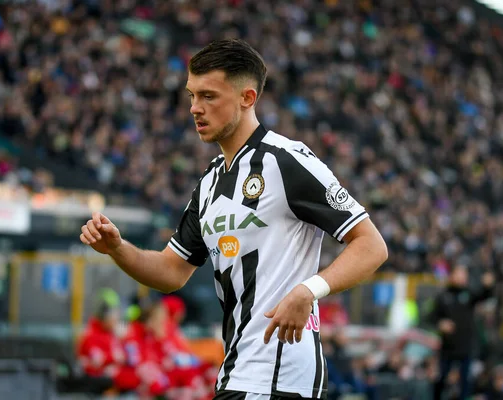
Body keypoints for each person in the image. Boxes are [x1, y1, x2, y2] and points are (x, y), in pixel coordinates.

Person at [79, 39, 388, 400]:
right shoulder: (208, 183)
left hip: (280, 375)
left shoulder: (286, 161)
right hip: (235, 372)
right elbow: (169, 271)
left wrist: (309, 290)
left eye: (209, 96)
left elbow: (371, 245)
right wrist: (118, 248)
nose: (195, 108)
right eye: (192, 96)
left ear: (247, 98)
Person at [431, 265, 495, 400]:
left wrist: (488, 286)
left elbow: (483, 296)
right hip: (448, 347)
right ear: (452, 275)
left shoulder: (469, 294)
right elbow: (432, 317)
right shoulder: (443, 296)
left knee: (465, 381)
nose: (461, 277)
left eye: (463, 274)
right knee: (441, 378)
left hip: (465, 347)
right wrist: (441, 324)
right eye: (458, 273)